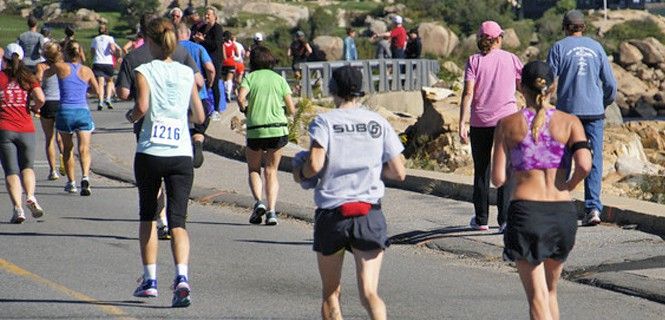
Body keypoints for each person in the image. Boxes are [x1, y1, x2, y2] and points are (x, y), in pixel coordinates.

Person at [292, 66, 406, 320]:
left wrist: (300, 174)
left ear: (333, 89)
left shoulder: (325, 122)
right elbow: (399, 172)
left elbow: (315, 165)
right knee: (369, 294)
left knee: (331, 293)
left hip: (333, 213)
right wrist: (374, 171)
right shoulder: (378, 122)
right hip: (368, 213)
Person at [491, 61, 592, 320]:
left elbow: (498, 178)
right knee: (550, 292)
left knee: (536, 298)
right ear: (553, 87)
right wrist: (569, 185)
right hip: (562, 213)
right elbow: (584, 164)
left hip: (527, 213)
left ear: (520, 87)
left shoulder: (507, 124)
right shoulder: (570, 122)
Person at [125, 17, 205, 308]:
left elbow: (142, 107)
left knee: (148, 215)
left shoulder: (144, 69)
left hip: (150, 151)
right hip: (180, 152)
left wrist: (131, 117)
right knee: (178, 220)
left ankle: (150, 281)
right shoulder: (186, 72)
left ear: (151, 41)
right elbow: (199, 115)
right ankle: (182, 278)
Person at [116, 14, 204, 241]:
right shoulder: (183, 54)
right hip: (178, 132)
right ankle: (170, 222)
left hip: (148, 130)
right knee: (175, 187)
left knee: (153, 176)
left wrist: (131, 112)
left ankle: (160, 218)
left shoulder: (134, 57)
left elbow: (124, 93)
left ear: (144, 34)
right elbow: (200, 82)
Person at [546, 10, 617, 226]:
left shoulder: (558, 47)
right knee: (593, 160)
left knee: (564, 158)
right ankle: (593, 208)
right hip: (594, 112)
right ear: (583, 27)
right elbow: (611, 85)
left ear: (565, 27)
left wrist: (545, 108)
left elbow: (548, 81)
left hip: (568, 113)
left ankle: (560, 204)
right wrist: (603, 102)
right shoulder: (597, 48)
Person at [459, 21, 523, 233]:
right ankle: (504, 220)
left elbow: (468, 93)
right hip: (507, 121)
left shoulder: (474, 61)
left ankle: (481, 219)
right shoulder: (512, 59)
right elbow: (523, 87)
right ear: (498, 39)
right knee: (506, 169)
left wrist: (462, 122)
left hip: (480, 122)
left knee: (482, 170)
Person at [237, 46, 296, 226]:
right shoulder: (279, 79)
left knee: (254, 169)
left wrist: (245, 109)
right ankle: (271, 211)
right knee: (271, 171)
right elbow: (292, 109)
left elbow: (240, 98)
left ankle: (259, 202)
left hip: (256, 128)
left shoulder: (250, 78)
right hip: (278, 129)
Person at [0, 43, 46, 223]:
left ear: (4, 60)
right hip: (26, 128)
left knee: (11, 170)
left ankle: (18, 209)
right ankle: (31, 196)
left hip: (4, 129)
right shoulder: (28, 77)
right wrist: (34, 108)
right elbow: (41, 98)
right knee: (27, 167)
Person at [53, 40, 101, 196]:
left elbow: (43, 75)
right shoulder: (87, 71)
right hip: (82, 110)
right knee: (84, 149)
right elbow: (98, 91)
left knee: (68, 149)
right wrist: (85, 90)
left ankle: (71, 182)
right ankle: (85, 177)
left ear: (66, 53)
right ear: (80, 53)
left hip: (65, 111)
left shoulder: (60, 67)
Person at [176, 22, 216, 168]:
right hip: (199, 95)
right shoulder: (199, 48)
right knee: (199, 127)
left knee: (182, 128)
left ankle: (183, 157)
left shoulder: (170, 51)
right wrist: (209, 83)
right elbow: (210, 69)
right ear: (188, 34)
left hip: (178, 97)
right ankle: (198, 142)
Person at [35, 42, 65, 181]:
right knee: (62, 137)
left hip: (47, 103)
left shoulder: (41, 66)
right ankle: (64, 159)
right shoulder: (62, 65)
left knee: (49, 138)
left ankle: (53, 170)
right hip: (60, 102)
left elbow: (38, 82)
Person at [191, 6, 224, 119]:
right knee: (202, 82)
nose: (206, 16)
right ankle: (203, 107)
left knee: (214, 84)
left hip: (215, 60)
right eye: (205, 14)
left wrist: (203, 40)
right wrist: (196, 38)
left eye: (209, 14)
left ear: (215, 16)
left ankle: (216, 110)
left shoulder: (218, 28)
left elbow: (216, 44)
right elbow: (194, 36)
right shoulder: (203, 27)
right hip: (204, 59)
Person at [90, 24, 119, 111]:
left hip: (98, 62)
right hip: (108, 62)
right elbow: (113, 49)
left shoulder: (95, 39)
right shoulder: (110, 38)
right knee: (110, 81)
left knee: (100, 83)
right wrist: (113, 53)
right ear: (107, 30)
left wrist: (94, 57)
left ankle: (100, 101)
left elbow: (92, 51)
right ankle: (108, 98)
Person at [221, 31, 238, 103]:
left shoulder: (222, 44)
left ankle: (225, 94)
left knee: (224, 80)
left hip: (224, 63)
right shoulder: (233, 44)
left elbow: (224, 56)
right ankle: (228, 94)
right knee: (229, 80)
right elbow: (237, 54)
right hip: (231, 62)